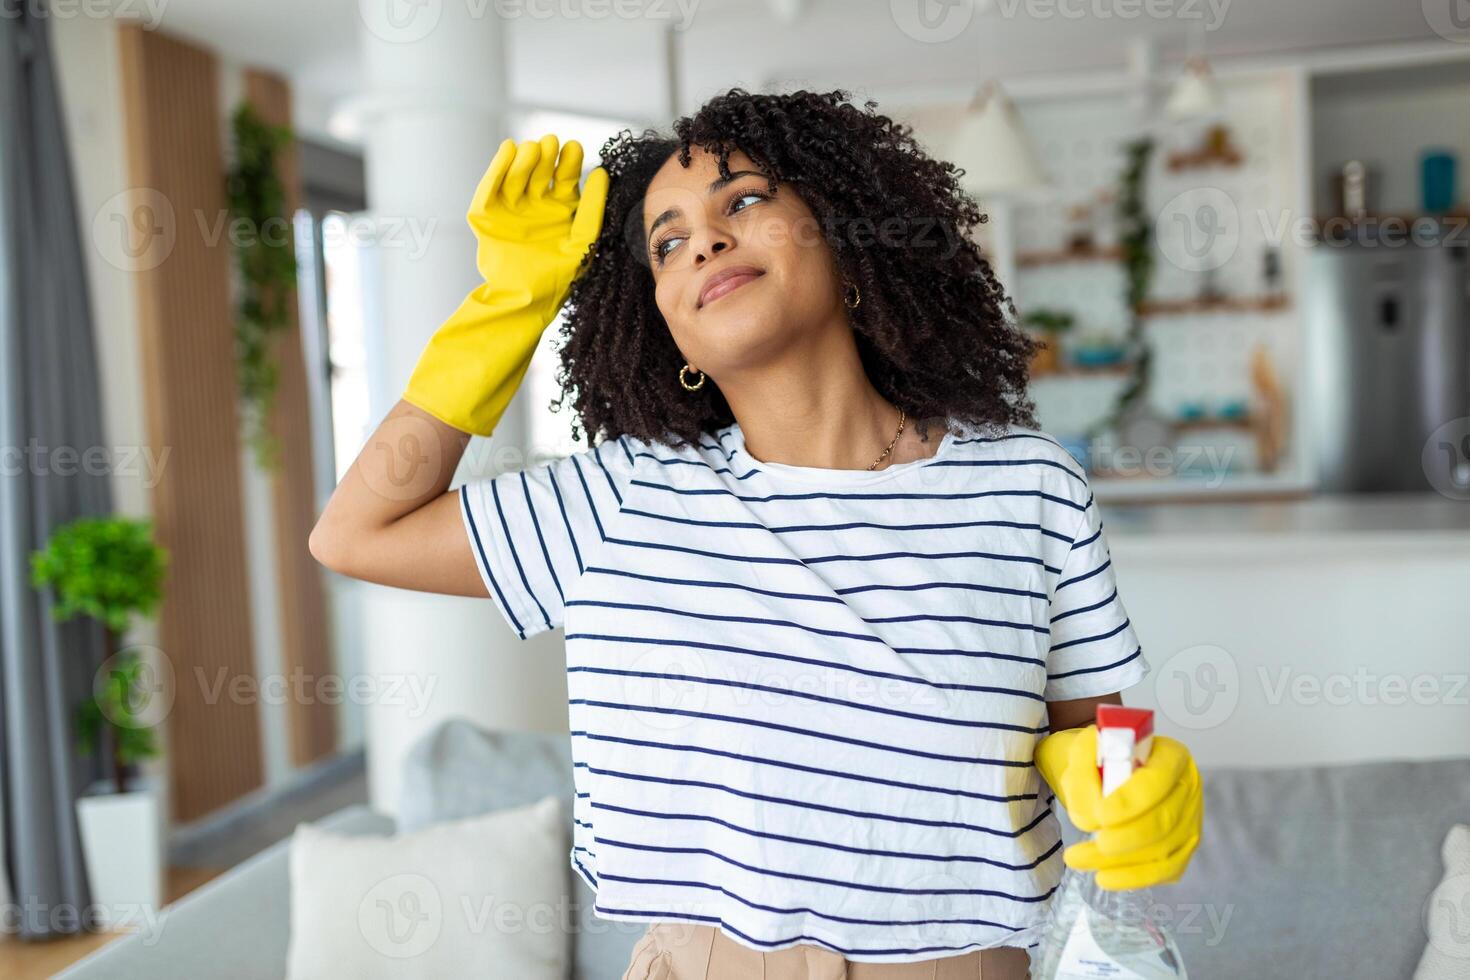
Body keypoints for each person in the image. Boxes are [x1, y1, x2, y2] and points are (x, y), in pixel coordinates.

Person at [310, 87, 1203, 980]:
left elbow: (1095, 725)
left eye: (744, 200)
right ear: (673, 333)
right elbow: (357, 532)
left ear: (844, 235)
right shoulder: (621, 500)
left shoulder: (1027, 483)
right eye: (667, 242)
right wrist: (507, 304)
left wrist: (1129, 779)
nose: (704, 239)